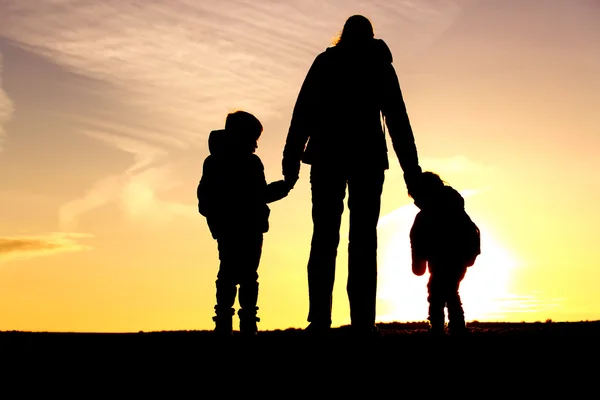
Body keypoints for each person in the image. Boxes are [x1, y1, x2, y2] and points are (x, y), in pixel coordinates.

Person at [282, 15, 422, 335]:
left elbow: (302, 114)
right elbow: (398, 121)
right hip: (363, 159)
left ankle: (322, 320)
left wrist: (291, 163)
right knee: (360, 241)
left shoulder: (329, 63)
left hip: (335, 157)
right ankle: (359, 322)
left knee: (326, 239)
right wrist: (411, 172)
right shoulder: (377, 65)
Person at [197, 111, 290, 336]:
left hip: (243, 227)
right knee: (240, 275)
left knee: (237, 275)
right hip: (240, 227)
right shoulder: (238, 163)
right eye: (252, 139)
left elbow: (258, 195)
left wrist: (280, 189)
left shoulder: (218, 162)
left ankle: (236, 323)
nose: (256, 145)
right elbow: (256, 195)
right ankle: (236, 323)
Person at [409, 172, 481, 336]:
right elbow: (473, 233)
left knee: (440, 291)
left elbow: (417, 240)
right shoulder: (455, 211)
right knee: (446, 291)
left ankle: (442, 327)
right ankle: (450, 326)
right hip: (451, 261)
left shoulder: (436, 214)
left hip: (453, 260)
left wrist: (418, 262)